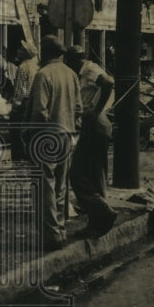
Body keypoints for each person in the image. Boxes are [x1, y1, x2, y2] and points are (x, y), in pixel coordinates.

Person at [26, 35, 81, 252]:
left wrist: (30, 134)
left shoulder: (43, 75)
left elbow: (40, 111)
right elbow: (79, 108)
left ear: (46, 52)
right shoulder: (71, 74)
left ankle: (52, 235)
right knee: (60, 185)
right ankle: (61, 229)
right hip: (67, 134)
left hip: (47, 135)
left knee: (45, 186)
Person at [65, 46, 118, 237]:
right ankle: (98, 220)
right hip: (94, 124)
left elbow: (109, 82)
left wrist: (96, 111)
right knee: (95, 174)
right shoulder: (83, 72)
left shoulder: (89, 69)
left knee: (77, 174)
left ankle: (103, 211)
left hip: (96, 123)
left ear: (75, 60)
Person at [8, 41, 38, 161]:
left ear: (26, 53)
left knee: (17, 133)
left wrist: (15, 108)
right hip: (33, 103)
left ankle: (19, 159)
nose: (18, 50)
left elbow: (19, 91)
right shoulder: (36, 67)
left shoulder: (22, 67)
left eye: (21, 49)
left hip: (23, 104)